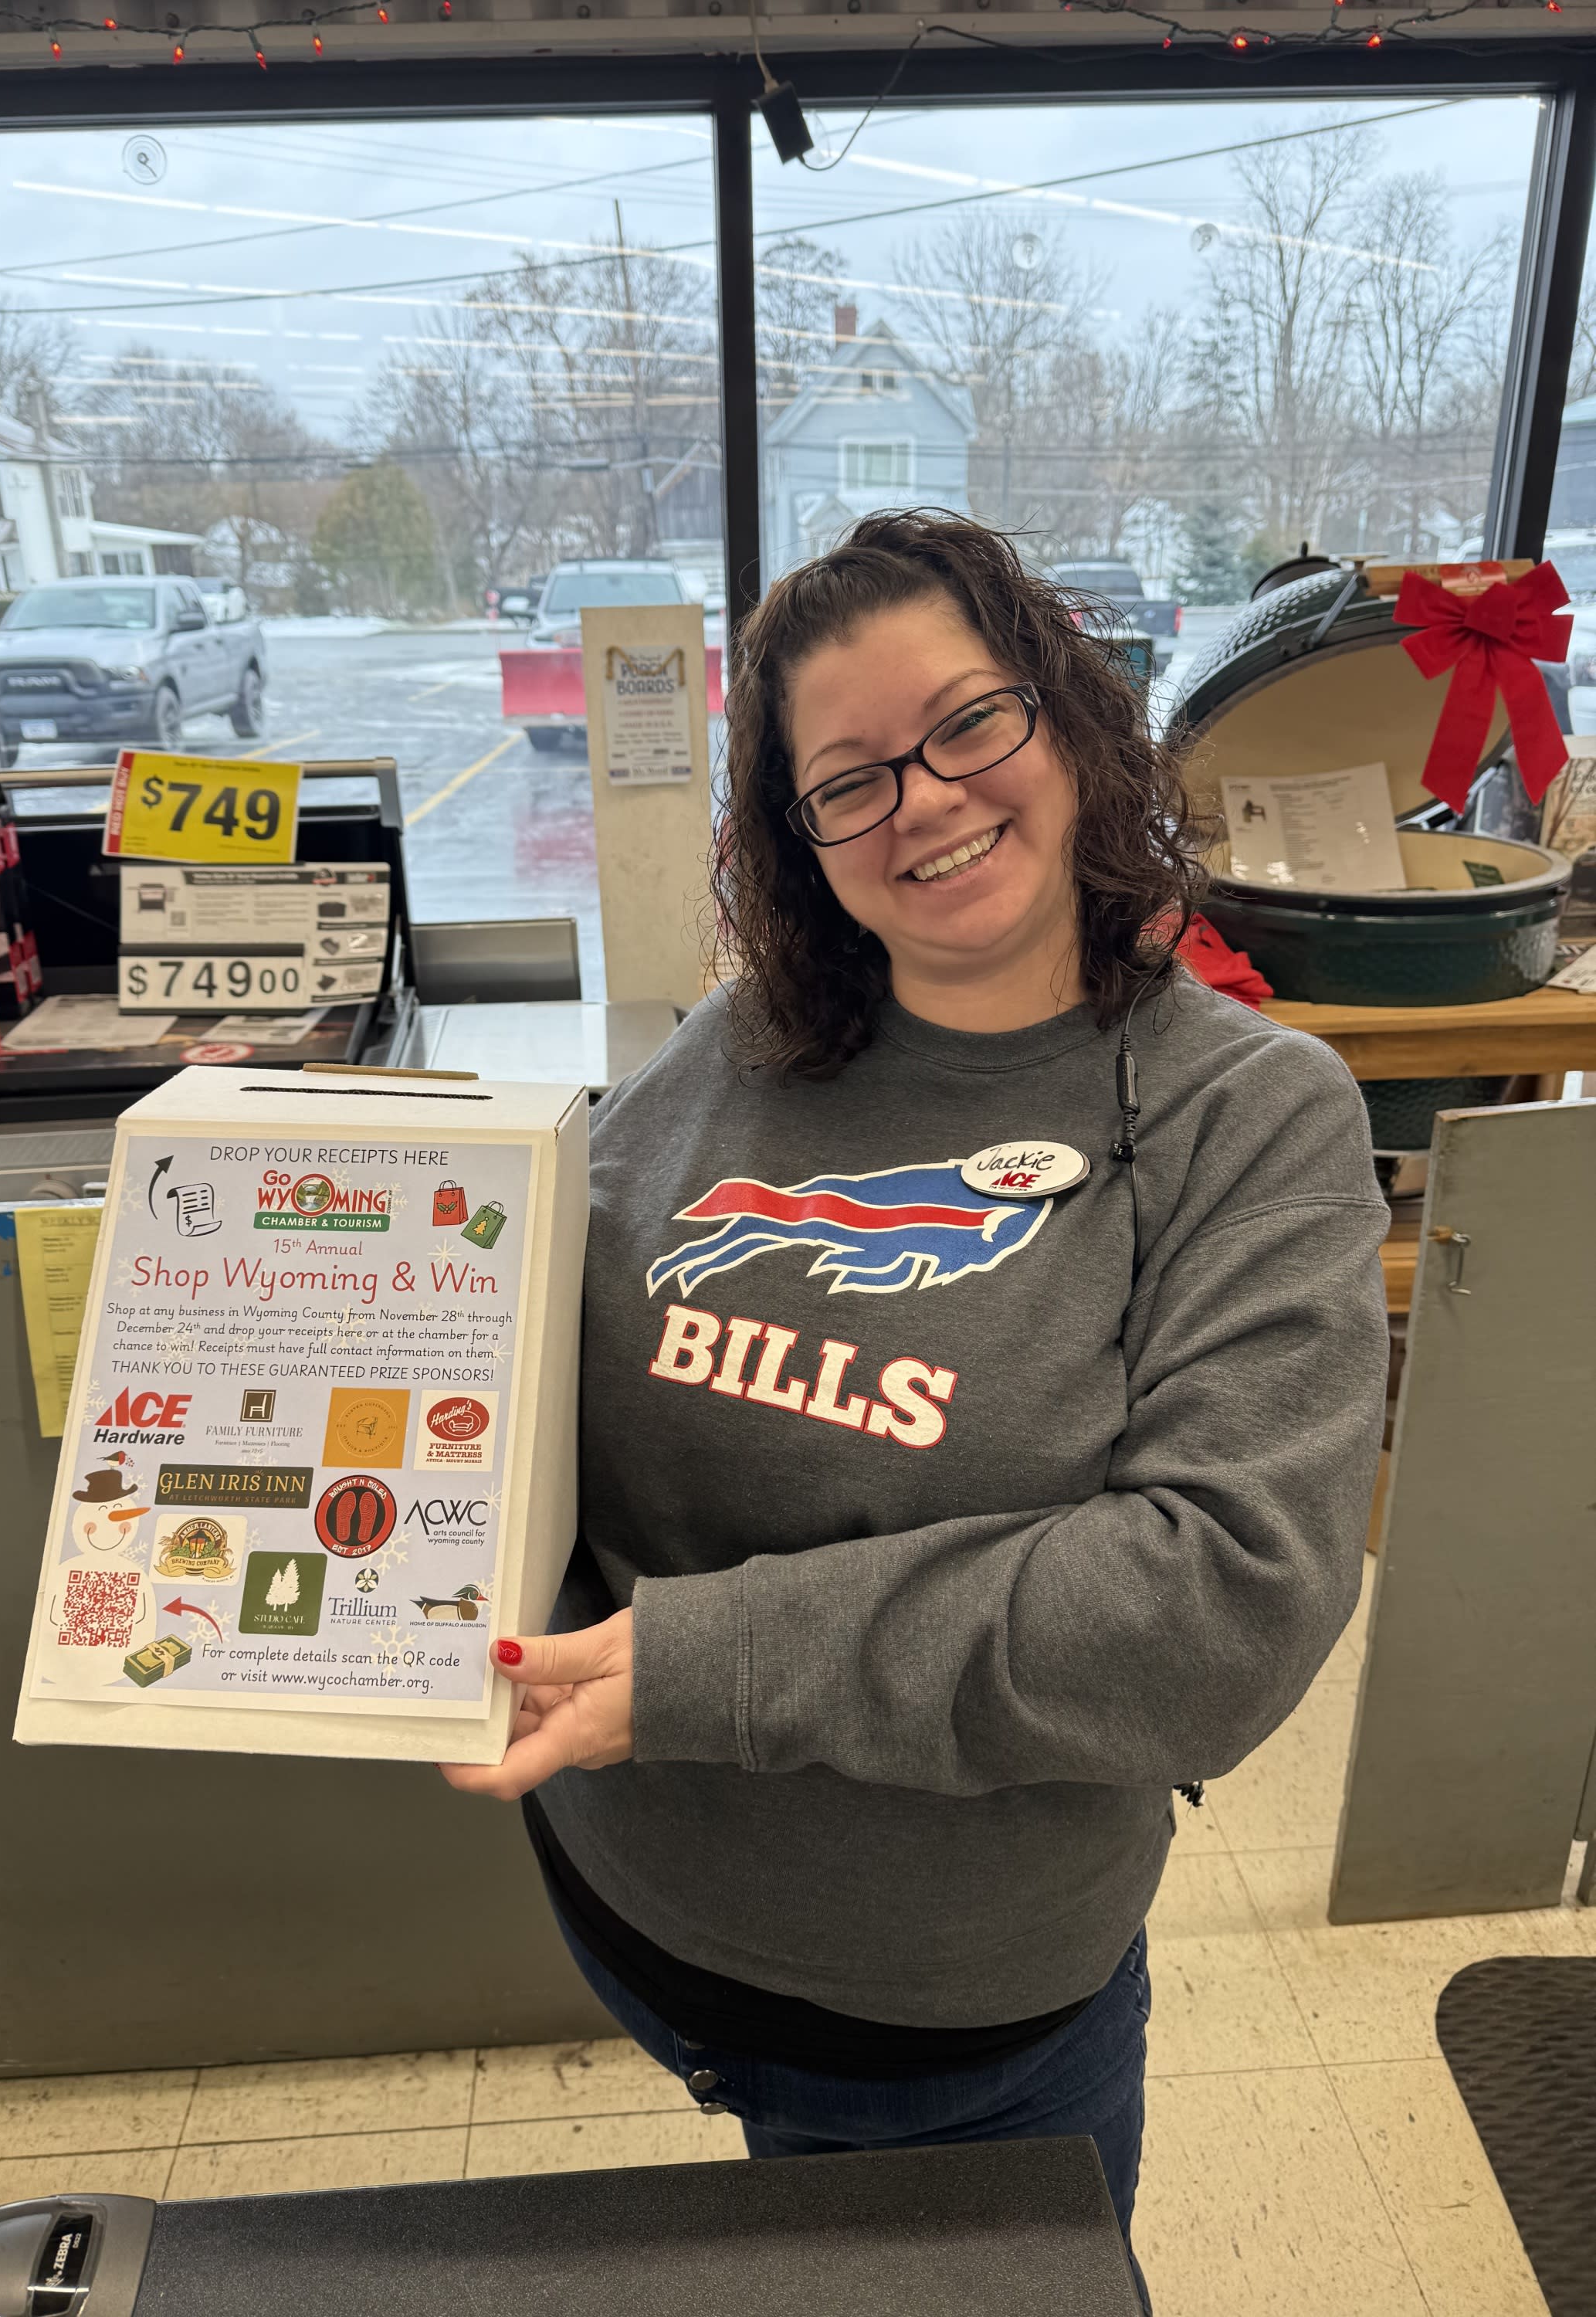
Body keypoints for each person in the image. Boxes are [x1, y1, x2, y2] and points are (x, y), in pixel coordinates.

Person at [444, 510, 1390, 2305]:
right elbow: (541, 1371)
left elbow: (1221, 1609)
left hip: (950, 2026)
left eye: (969, 724)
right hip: (644, 1912)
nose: (929, 800)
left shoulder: (1245, 1114)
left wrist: (701, 1665)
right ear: (797, 837)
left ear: (1068, 718)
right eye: (851, 778)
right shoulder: (741, 1047)